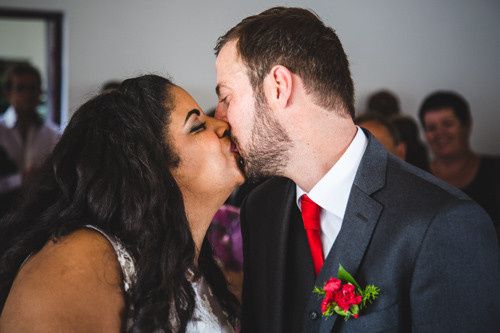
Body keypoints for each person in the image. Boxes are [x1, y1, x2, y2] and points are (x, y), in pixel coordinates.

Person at [214, 7, 499, 332]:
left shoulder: (443, 223)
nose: (220, 119)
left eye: (226, 97)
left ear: (279, 86)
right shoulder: (260, 207)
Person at [0, 75, 243, 332]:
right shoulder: (82, 255)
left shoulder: (199, 269)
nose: (222, 125)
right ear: (148, 167)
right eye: (196, 126)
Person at [419, 91, 500, 237]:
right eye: (431, 128)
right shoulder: (417, 177)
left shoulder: (495, 171)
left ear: (467, 125)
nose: (440, 133)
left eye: (447, 124)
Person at [0, 64, 60, 181]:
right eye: (20, 88)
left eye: (33, 88)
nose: (28, 94)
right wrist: (20, 180)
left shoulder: (53, 134)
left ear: (40, 93)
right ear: (8, 94)